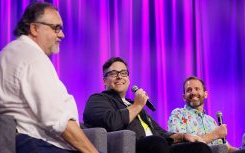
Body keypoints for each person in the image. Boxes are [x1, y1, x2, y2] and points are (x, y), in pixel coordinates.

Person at [0, 2, 98, 153]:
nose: (61, 35)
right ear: (34, 28)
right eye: (56, 28)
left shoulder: (9, 52)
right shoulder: (32, 56)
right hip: (32, 144)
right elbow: (58, 121)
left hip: (13, 141)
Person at [83, 57, 212, 153]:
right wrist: (138, 105)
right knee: (156, 142)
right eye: (113, 73)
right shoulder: (98, 99)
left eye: (123, 73)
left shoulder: (133, 103)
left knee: (200, 148)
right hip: (136, 147)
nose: (119, 77)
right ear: (104, 80)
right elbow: (110, 122)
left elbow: (160, 132)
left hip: (159, 146)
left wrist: (183, 136)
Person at [168, 76, 245, 153]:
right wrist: (215, 134)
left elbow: (227, 148)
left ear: (205, 94)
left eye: (197, 89)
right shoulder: (178, 114)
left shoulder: (211, 121)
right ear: (184, 97)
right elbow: (180, 147)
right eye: (189, 90)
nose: (193, 92)